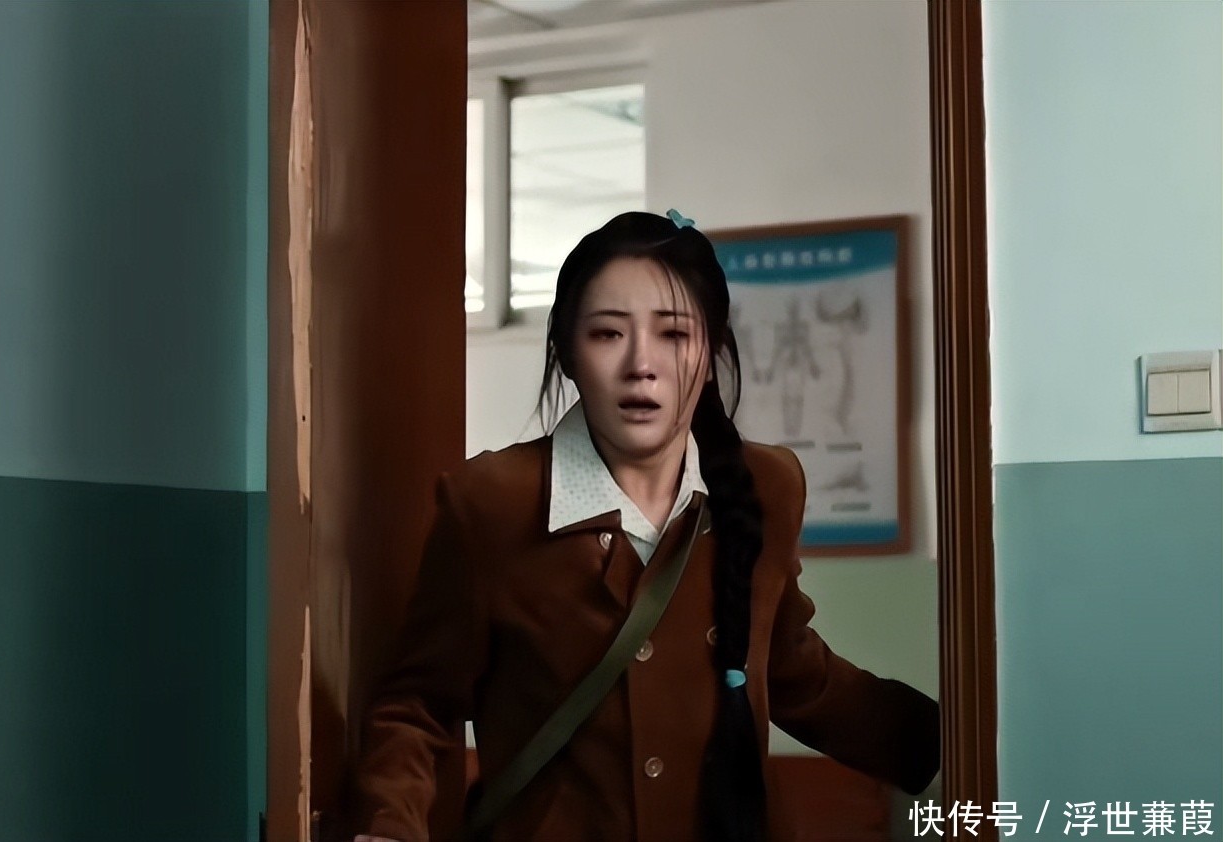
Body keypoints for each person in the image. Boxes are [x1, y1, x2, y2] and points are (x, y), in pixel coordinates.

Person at [352, 210, 939, 842]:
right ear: (567, 352)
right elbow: (419, 704)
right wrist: (389, 824)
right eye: (608, 333)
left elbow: (793, 671)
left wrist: (966, 740)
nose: (642, 364)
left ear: (710, 354)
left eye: (674, 334)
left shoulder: (765, 487)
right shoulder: (493, 504)